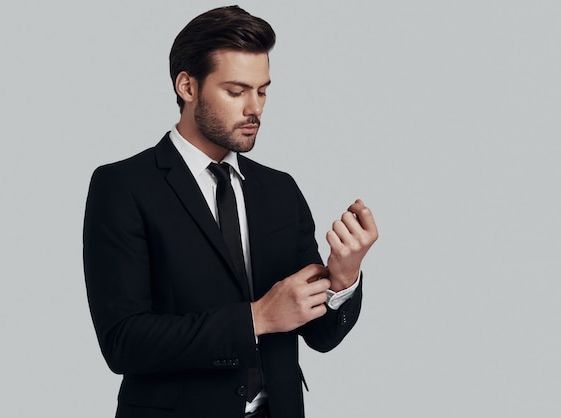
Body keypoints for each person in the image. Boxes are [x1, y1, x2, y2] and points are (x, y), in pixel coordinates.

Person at [83, 6, 378, 418]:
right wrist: (255, 318)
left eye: (263, 90)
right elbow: (123, 342)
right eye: (236, 92)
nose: (254, 108)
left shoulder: (279, 190)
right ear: (187, 86)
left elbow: (321, 336)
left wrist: (343, 277)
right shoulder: (123, 186)